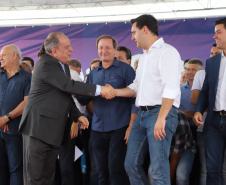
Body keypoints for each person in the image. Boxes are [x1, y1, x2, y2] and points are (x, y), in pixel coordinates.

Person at [18, 32, 112, 185]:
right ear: (54, 51)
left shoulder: (64, 67)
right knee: (35, 178)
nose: (72, 50)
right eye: (67, 47)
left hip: (52, 131)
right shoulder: (46, 63)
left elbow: (66, 95)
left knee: (48, 177)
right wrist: (101, 89)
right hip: (37, 129)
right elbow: (69, 86)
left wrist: (77, 115)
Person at [104, 14, 181, 185]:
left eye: (134, 32)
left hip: (160, 114)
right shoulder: (143, 57)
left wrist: (161, 118)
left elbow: (172, 87)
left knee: (158, 170)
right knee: (130, 164)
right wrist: (114, 92)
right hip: (142, 115)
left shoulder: (167, 52)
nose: (132, 37)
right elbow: (136, 87)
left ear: (144, 30)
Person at [78, 34, 137, 185]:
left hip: (120, 128)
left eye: (108, 48)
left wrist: (131, 126)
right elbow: (85, 99)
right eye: (101, 48)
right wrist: (72, 89)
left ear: (115, 49)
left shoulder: (126, 70)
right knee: (100, 171)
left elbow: (135, 99)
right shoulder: (93, 73)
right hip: (97, 129)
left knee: (116, 170)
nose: (104, 51)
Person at [193, 18, 226, 185]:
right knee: (212, 168)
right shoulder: (212, 62)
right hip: (213, 121)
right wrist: (199, 109)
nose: (214, 36)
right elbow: (205, 91)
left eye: (218, 32)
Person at [0, 44, 31, 185]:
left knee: (16, 169)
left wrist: (6, 118)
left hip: (16, 132)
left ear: (14, 56)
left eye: (3, 55)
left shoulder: (27, 78)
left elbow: (27, 103)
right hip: (1, 129)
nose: (0, 58)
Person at [175, 59, 203, 185]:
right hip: (183, 133)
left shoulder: (206, 90)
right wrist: (183, 114)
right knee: (183, 172)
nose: (189, 72)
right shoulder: (178, 90)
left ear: (201, 72)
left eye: (193, 69)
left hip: (203, 131)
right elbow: (174, 112)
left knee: (201, 167)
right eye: (187, 69)